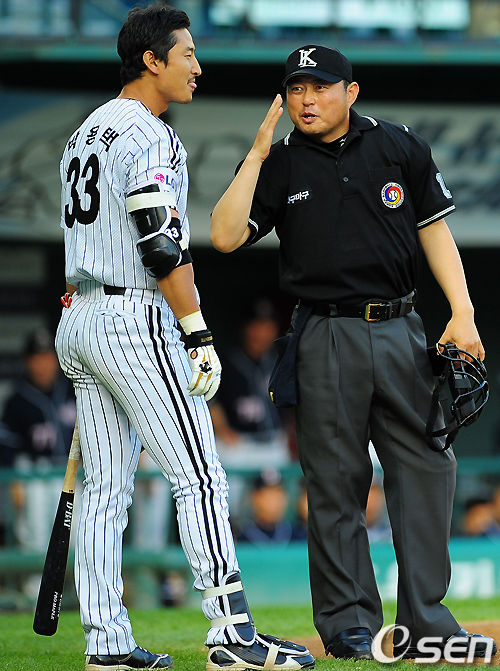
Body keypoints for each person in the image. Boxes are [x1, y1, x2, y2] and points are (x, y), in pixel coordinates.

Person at [210, 44, 496, 661]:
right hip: (326, 332)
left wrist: (464, 311)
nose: (307, 100)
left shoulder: (397, 145)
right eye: (296, 89)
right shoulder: (280, 162)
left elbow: (434, 230)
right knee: (336, 482)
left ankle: (426, 624)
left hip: (401, 328)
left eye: (320, 87)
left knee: (428, 469)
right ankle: (349, 624)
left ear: (351, 92)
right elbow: (224, 236)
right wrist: (256, 154)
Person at [54, 5, 314, 671]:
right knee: (199, 474)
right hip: (133, 318)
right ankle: (232, 634)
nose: (198, 66)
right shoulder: (149, 133)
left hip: (81, 315)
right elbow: (160, 244)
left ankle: (106, 641)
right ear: (152, 60)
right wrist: (196, 329)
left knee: (106, 492)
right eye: (187, 53)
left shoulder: (86, 131)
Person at [209, 302, 292, 519]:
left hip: (273, 442)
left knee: (277, 507)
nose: (262, 332)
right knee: (231, 506)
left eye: (267, 325)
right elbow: (210, 400)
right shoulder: (226, 361)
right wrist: (223, 429)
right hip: (240, 445)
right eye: (257, 325)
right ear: (246, 328)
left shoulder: (279, 362)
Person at [0, 328, 77, 555]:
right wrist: (15, 483)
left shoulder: (73, 390)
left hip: (70, 470)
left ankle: (72, 578)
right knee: (36, 532)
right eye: (37, 358)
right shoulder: (17, 400)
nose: (43, 364)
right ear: (27, 361)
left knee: (76, 533)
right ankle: (35, 577)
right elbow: (8, 448)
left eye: (47, 357)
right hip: (34, 473)